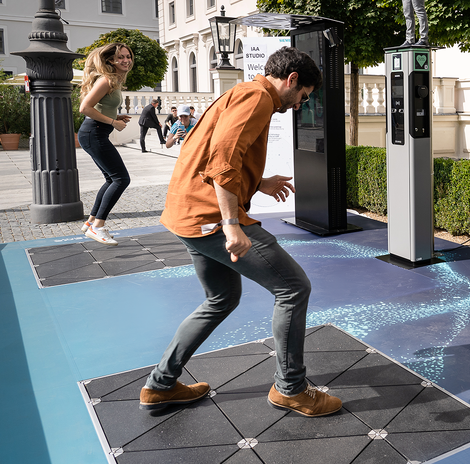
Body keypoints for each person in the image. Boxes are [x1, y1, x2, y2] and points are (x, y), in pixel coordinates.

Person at [139, 46, 342, 417]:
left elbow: (217, 154)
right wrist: (232, 225)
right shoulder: (258, 97)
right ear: (292, 79)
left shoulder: (242, 93)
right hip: (211, 218)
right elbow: (222, 161)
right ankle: (291, 389)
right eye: (302, 97)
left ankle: (160, 385)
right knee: (293, 288)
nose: (299, 105)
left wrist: (258, 182)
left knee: (220, 299)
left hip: (188, 214)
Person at [77, 42, 134, 246]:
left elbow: (100, 106)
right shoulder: (107, 80)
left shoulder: (113, 80)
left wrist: (116, 116)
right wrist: (113, 123)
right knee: (121, 179)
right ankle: (98, 227)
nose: (126, 60)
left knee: (112, 179)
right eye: (121, 57)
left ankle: (91, 222)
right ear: (111, 60)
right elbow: (85, 108)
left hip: (94, 133)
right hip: (94, 133)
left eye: (128, 57)